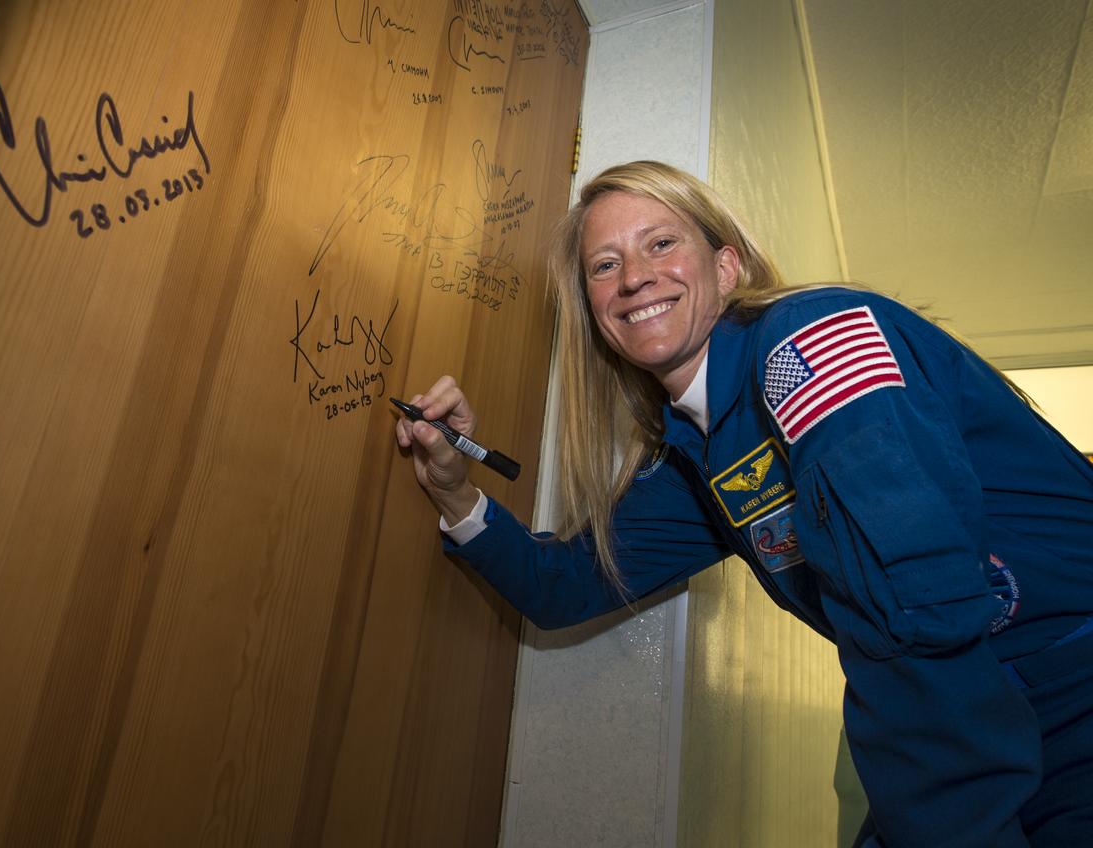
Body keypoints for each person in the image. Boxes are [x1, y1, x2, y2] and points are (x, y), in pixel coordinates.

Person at [393, 161, 1093, 847]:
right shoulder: (702, 455)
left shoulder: (811, 338)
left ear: (726, 268)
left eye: (660, 242)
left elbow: (915, 599)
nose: (634, 276)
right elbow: (566, 586)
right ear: (596, 313)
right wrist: (455, 489)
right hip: (978, 713)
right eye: (603, 266)